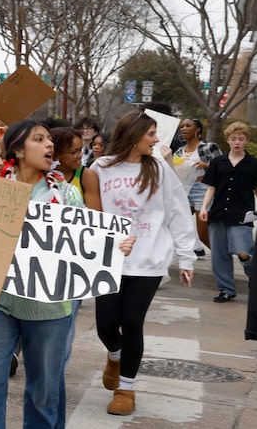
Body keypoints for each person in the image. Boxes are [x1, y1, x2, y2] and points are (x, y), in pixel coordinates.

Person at [0, 120, 93, 429]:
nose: (49, 145)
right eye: (39, 139)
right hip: (1, 301)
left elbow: (86, 245)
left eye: (50, 140)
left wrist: (114, 246)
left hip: (50, 309)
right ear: (18, 149)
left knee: (44, 389)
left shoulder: (66, 196)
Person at [85, 111, 197, 416]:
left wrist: (186, 256)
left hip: (149, 258)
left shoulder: (159, 168)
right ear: (133, 135)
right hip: (111, 259)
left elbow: (177, 212)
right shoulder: (101, 167)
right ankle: (115, 353)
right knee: (106, 325)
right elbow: (93, 215)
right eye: (150, 134)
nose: (156, 139)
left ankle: (126, 389)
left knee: (132, 322)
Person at [198, 121, 257, 303]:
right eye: (233, 139)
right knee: (220, 254)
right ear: (228, 140)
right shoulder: (218, 162)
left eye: (241, 138)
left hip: (242, 215)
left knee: (244, 251)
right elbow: (211, 188)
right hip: (218, 214)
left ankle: (253, 277)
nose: (237, 142)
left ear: (246, 140)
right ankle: (226, 289)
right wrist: (203, 208)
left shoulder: (254, 164)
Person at [176, 118, 219, 254]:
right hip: (185, 190)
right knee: (177, 226)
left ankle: (223, 257)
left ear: (198, 129)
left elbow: (224, 167)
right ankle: (195, 248)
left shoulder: (209, 147)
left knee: (204, 235)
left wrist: (207, 165)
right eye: (182, 126)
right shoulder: (179, 152)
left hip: (203, 190)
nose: (184, 128)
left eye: (188, 126)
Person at [50, 127, 86, 197]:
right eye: (74, 152)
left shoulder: (86, 176)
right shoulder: (42, 175)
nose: (81, 155)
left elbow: (94, 208)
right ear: (56, 154)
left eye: (81, 149)